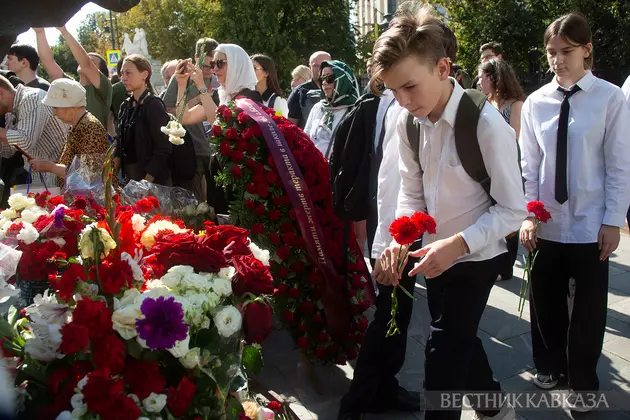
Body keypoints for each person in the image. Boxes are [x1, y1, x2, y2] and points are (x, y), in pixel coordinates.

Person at [373, 5, 527, 420]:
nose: (403, 102)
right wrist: (398, 240)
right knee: (461, 340)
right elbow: (411, 192)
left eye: (410, 87)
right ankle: (497, 410)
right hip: (432, 257)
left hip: (476, 255)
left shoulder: (487, 125)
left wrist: (458, 244)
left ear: (443, 69)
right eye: (394, 91)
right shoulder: (407, 122)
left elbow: (514, 210)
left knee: (442, 352)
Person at [338, 16, 458, 420]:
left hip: (427, 232)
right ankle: (356, 403)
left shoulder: (437, 105)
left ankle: (383, 388)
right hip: (399, 232)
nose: (405, 93)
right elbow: (390, 177)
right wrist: (388, 240)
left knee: (410, 319)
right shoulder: (396, 108)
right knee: (393, 314)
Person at [519, 13, 630, 412]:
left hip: (589, 223)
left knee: (587, 310)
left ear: (586, 50)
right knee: (544, 301)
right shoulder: (536, 103)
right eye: (552, 52)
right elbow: (528, 166)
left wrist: (613, 220)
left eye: (567, 51)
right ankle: (549, 366)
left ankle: (583, 381)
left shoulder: (610, 98)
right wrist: (528, 215)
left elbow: (620, 164)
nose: (558, 60)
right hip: (546, 222)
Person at [175, 43, 262, 214]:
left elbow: (220, 126)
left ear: (237, 64)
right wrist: (181, 84)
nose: (215, 69)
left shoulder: (249, 98)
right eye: (213, 64)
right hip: (219, 172)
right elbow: (184, 117)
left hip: (240, 179)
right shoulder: (220, 95)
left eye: (220, 63)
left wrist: (201, 88)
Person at [478, 58, 526, 280]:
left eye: (481, 77)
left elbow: (515, 136)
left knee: (509, 213)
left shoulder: (515, 104)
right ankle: (496, 260)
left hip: (509, 164)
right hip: (488, 166)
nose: (479, 82)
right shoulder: (485, 102)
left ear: (492, 78)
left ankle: (506, 267)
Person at [163, 37, 219, 201]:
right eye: (206, 66)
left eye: (213, 65)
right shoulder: (182, 76)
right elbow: (167, 109)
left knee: (213, 201)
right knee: (193, 200)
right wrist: (197, 101)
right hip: (191, 147)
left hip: (215, 149)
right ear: (196, 58)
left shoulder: (219, 76)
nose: (210, 70)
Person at [29, 79, 109, 189]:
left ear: (71, 105)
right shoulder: (79, 125)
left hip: (95, 202)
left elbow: (88, 175)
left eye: (56, 107)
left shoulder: (90, 127)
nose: (54, 113)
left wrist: (50, 167)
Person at [34, 26, 113, 128]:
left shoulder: (104, 88)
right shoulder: (70, 86)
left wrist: (63, 30)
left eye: (92, 62)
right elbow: (49, 63)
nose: (81, 61)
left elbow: (86, 64)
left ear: (100, 72)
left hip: (93, 142)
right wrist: (40, 33)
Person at [114, 54, 172, 186]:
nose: (123, 78)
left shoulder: (153, 105)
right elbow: (119, 142)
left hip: (153, 182)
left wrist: (146, 183)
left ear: (144, 74)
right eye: (122, 73)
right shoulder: (125, 106)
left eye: (128, 73)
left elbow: (164, 148)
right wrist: (111, 176)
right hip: (129, 179)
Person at [0, 75, 68, 186]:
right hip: (43, 182)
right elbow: (8, 152)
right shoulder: (10, 111)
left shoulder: (32, 98)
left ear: (1, 92)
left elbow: (25, 141)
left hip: (64, 178)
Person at [303, 60, 359, 160]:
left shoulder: (354, 111)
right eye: (322, 79)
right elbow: (305, 139)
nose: (324, 83)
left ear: (342, 80)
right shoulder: (318, 107)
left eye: (329, 78)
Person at [287, 50, 331, 128]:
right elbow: (290, 127)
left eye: (324, 65)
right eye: (316, 66)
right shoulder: (299, 92)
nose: (320, 69)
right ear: (310, 67)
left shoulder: (339, 90)